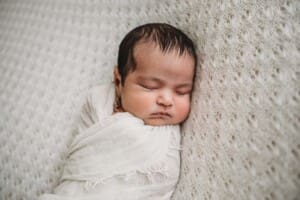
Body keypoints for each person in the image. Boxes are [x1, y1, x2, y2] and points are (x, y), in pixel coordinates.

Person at [39, 23, 197, 200]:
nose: (167, 101)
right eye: (150, 87)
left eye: (181, 91)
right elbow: (83, 156)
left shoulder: (168, 135)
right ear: (118, 81)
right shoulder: (100, 101)